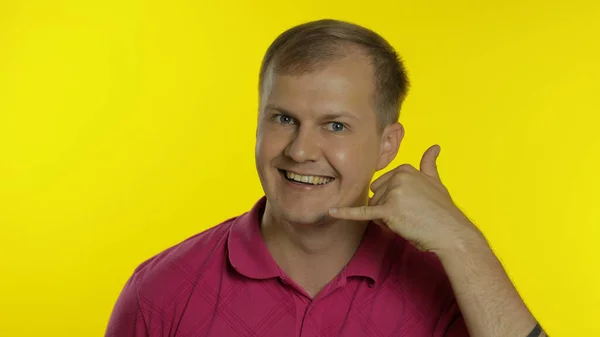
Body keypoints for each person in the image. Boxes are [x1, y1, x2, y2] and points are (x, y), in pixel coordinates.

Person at [104, 19, 548, 337]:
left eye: (335, 126)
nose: (300, 150)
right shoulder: (161, 292)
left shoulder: (449, 291)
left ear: (387, 145)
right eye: (283, 119)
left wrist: (460, 240)